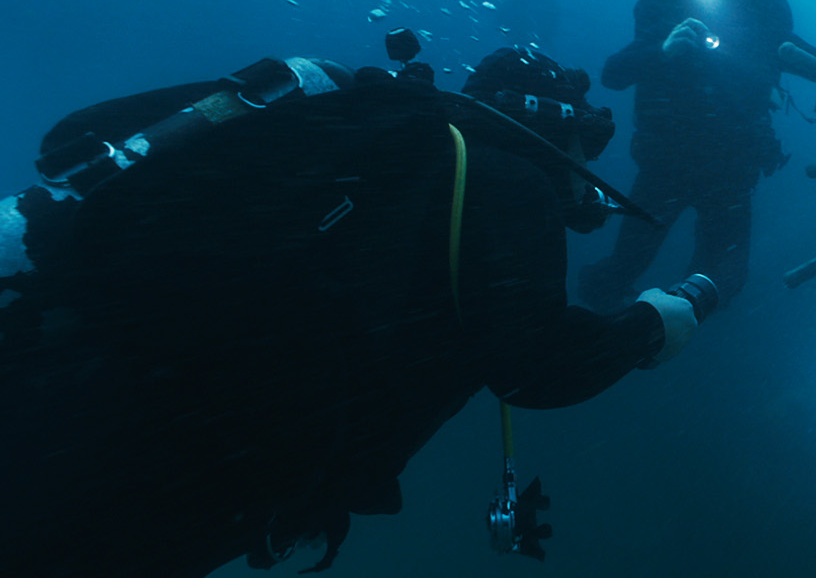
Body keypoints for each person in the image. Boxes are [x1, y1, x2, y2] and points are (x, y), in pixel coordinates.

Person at [0, 45, 702, 577]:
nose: (589, 159)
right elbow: (537, 369)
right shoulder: (509, 181)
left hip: (90, 386)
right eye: (589, 137)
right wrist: (651, 324)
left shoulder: (404, 159)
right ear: (546, 120)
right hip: (163, 465)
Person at [578, 0, 816, 309]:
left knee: (721, 279)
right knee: (629, 266)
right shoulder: (675, 11)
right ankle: (620, 328)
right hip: (672, 163)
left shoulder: (764, 29)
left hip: (728, 170)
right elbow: (613, 74)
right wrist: (662, 51)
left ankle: (661, 326)